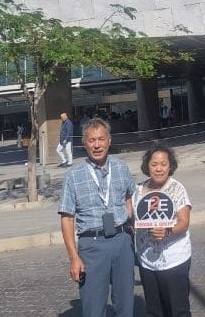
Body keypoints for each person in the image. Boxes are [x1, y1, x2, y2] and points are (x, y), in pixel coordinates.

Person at [58, 118, 136, 317]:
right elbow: (67, 218)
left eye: (101, 139)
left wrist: (131, 225)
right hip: (91, 246)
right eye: (92, 140)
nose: (97, 145)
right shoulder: (73, 176)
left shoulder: (121, 168)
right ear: (84, 143)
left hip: (122, 241)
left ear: (109, 141)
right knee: (93, 306)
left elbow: (130, 197)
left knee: (125, 303)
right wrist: (73, 257)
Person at [133, 146, 193, 317]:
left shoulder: (177, 188)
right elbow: (132, 218)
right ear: (147, 166)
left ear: (170, 166)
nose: (158, 168)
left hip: (175, 261)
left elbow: (184, 222)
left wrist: (167, 231)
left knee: (178, 310)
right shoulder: (137, 190)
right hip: (147, 262)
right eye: (154, 164)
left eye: (163, 164)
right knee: (154, 311)